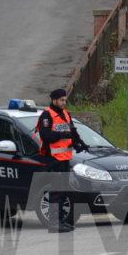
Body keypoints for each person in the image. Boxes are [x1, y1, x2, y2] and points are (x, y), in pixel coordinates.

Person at [37, 88, 89, 232]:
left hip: (65, 158)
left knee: (63, 191)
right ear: (54, 100)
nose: (64, 102)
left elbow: (72, 131)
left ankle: (60, 221)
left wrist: (80, 143)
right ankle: (54, 223)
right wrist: (63, 134)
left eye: (65, 100)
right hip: (53, 159)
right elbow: (45, 136)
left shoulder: (66, 113)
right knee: (56, 191)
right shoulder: (47, 115)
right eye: (61, 100)